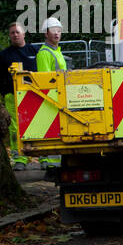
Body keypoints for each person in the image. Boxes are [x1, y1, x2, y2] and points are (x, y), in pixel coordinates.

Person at [0, 22, 36, 168]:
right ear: (9, 36)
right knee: (15, 129)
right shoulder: (4, 56)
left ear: (24, 34)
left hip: (34, 95)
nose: (15, 35)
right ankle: (19, 159)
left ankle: (43, 158)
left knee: (38, 125)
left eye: (18, 32)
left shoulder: (35, 51)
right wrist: (6, 91)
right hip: (12, 96)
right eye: (12, 33)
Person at [33, 18, 68, 168]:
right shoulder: (44, 53)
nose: (57, 33)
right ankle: (53, 165)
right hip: (53, 98)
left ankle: (57, 163)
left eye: (59, 30)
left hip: (60, 97)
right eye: (53, 30)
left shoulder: (56, 51)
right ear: (46, 34)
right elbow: (45, 80)